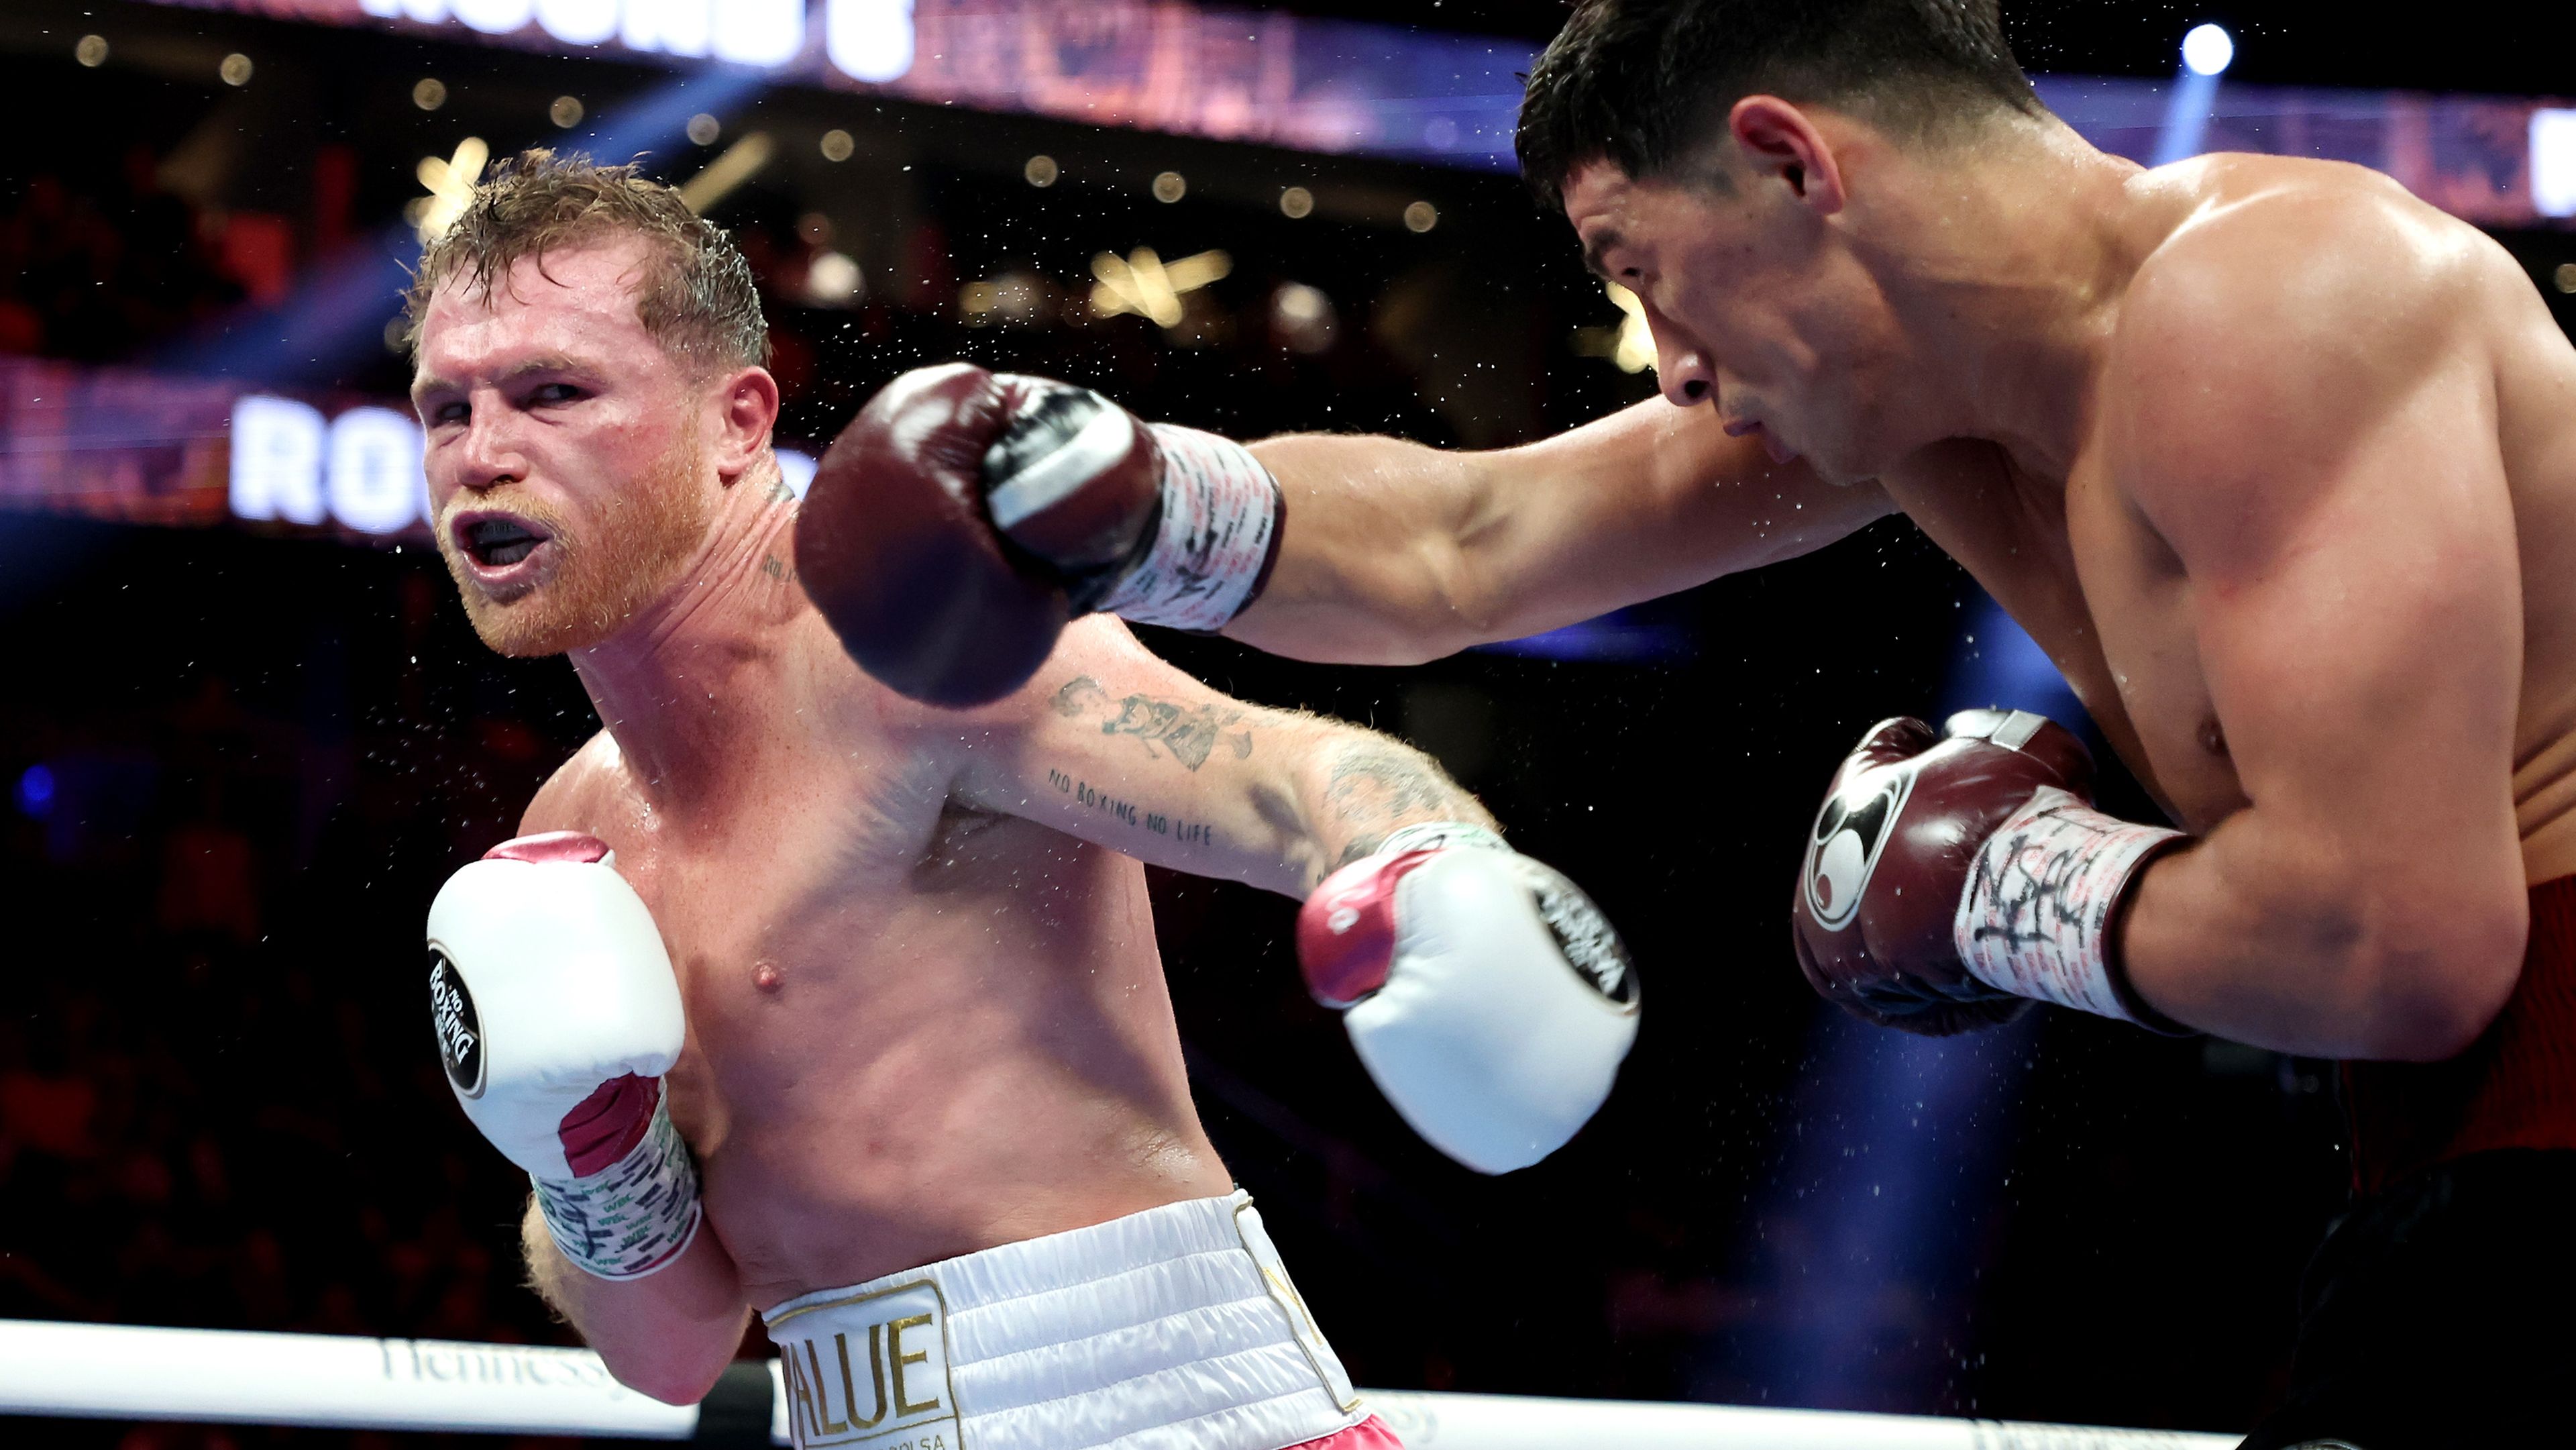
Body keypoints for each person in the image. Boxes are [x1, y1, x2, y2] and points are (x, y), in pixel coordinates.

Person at [808, 2, 2576, 1443]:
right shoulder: (1920, 405)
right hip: (2441, 1166)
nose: (1660, 357)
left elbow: (2400, 939)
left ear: (1791, 163)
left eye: (1638, 268)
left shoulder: (2273, 301)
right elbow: (1460, 543)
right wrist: (1113, 504)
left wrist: (2004, 884)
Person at [405, 150, 1640, 1450]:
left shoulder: (909, 645)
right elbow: (673, 1351)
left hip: (1163, 1414)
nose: (485, 455)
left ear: (739, 422)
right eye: (446, 407)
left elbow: (1286, 782)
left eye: (553, 393)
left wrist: (1424, 854)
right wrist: (592, 1157)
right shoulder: (568, 848)